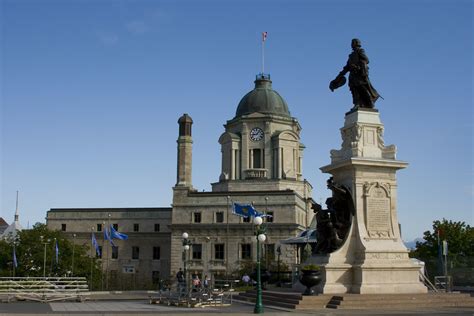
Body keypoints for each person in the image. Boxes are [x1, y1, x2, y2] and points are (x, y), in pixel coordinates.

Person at [330, 38, 380, 109]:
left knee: (363, 88)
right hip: (352, 75)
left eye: (353, 43)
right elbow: (347, 67)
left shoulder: (360, 51)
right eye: (351, 43)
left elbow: (366, 60)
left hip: (359, 74)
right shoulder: (351, 55)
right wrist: (339, 76)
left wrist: (357, 66)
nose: (351, 44)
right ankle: (357, 103)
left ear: (356, 43)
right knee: (354, 89)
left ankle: (370, 103)